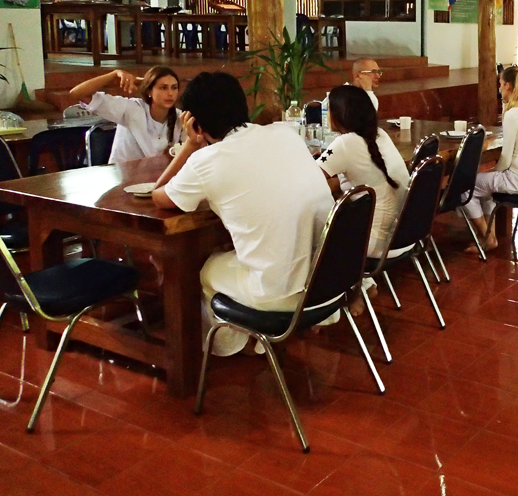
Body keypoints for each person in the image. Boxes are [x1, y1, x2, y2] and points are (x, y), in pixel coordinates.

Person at [151, 72, 334, 356]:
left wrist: (190, 144)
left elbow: (159, 196)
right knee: (230, 249)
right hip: (327, 281)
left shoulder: (207, 160)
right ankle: (250, 340)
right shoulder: (285, 134)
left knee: (202, 267)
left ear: (195, 122)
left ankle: (229, 346)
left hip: (282, 295)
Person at [318, 85, 410, 312]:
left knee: (314, 233)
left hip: (375, 241)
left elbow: (310, 180)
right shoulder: (380, 135)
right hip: (403, 235)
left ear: (339, 114)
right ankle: (362, 285)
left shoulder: (346, 143)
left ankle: (332, 304)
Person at [463, 66, 518, 252]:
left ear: (508, 85)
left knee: (465, 186)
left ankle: (486, 238)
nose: (499, 88)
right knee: (488, 184)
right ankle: (489, 236)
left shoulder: (513, 114)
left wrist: (494, 173)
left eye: (500, 84)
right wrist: (493, 178)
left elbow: (506, 158)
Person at [69, 67, 184, 164]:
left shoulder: (180, 117)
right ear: (149, 91)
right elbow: (77, 93)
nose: (170, 93)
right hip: (122, 178)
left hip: (156, 179)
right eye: (163, 88)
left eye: (174, 88)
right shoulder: (131, 108)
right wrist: (114, 75)